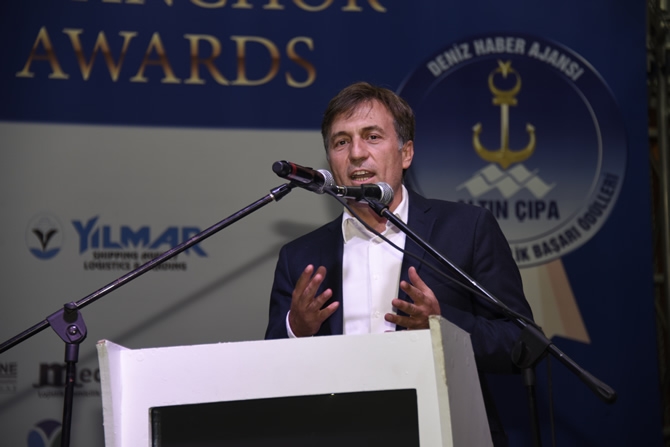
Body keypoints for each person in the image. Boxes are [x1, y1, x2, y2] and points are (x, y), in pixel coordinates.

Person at [265, 81, 534, 446]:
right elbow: (270, 373)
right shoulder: (301, 257)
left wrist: (442, 326)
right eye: (341, 142)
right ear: (330, 162)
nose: (356, 153)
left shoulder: (466, 229)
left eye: (372, 137)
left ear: (406, 153)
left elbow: (520, 343)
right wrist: (296, 329)